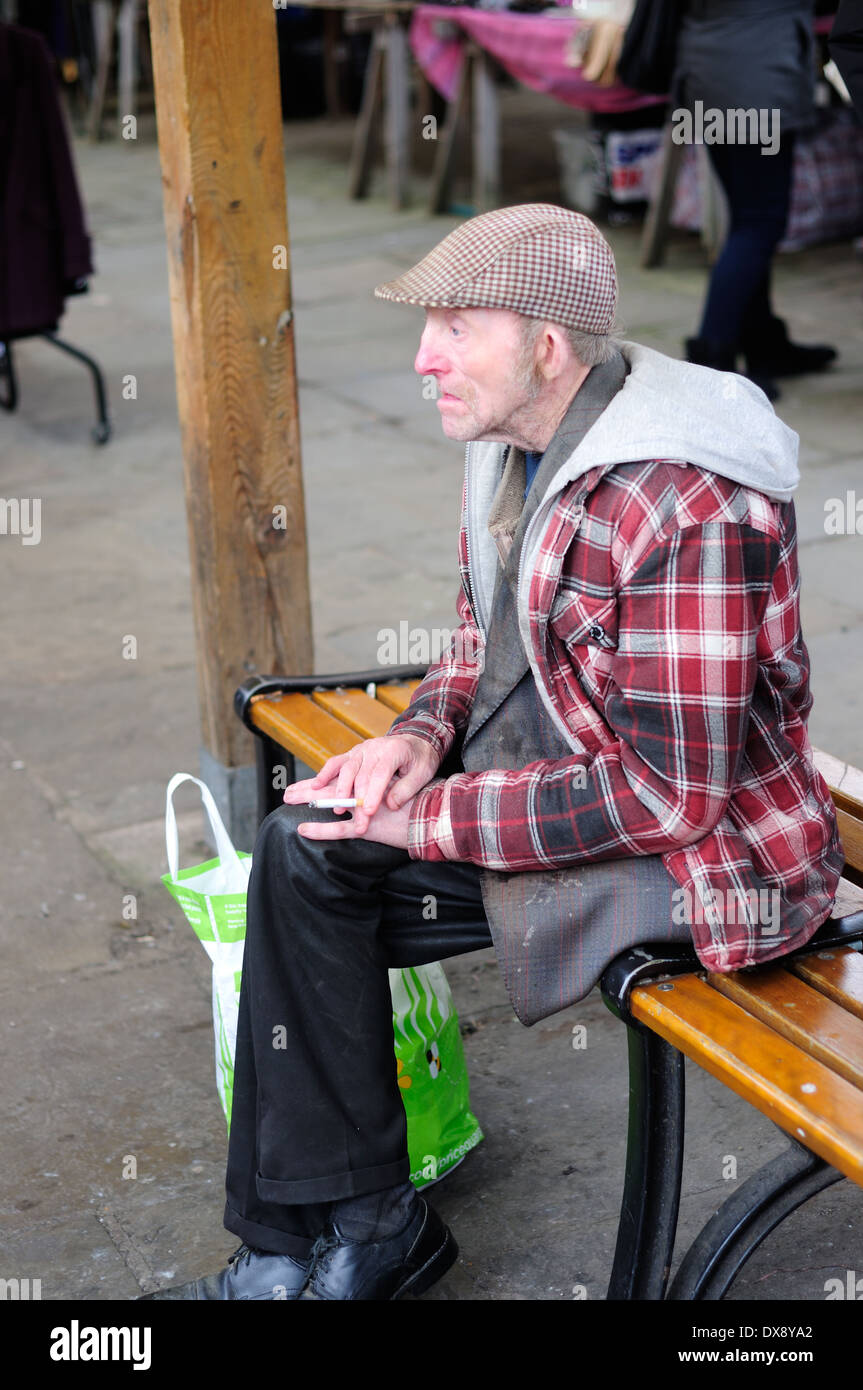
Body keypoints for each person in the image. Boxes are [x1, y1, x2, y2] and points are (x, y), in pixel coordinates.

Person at [144, 203, 842, 1302]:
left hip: (712, 864)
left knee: (327, 875)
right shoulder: (517, 437)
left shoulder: (682, 501)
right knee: (301, 847)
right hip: (576, 790)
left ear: (546, 347)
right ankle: (333, 1235)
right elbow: (477, 632)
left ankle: (339, 1243)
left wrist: (425, 822)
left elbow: (668, 798)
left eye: (456, 326)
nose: (422, 359)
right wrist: (413, 746)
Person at [674, 0, 838, 399]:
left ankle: (764, 343)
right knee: (759, 222)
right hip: (758, 77)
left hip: (706, 71)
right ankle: (713, 361)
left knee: (747, 218)